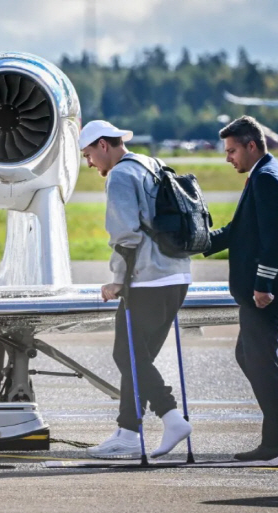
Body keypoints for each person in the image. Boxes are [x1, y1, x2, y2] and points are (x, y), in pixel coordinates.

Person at [79, 120, 192, 459]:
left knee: (125, 354)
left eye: (88, 155)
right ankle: (128, 432)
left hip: (148, 279)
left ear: (102, 145)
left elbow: (125, 235)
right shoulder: (151, 164)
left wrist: (117, 280)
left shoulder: (121, 176)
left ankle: (171, 416)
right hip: (177, 276)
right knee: (138, 358)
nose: (89, 164)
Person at [206, 115, 278, 461]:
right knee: (248, 354)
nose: (228, 158)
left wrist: (263, 284)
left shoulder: (266, 178)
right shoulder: (266, 173)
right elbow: (240, 229)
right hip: (271, 286)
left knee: (261, 359)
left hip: (269, 290)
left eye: (232, 150)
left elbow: (275, 237)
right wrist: (200, 241)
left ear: (252, 145)